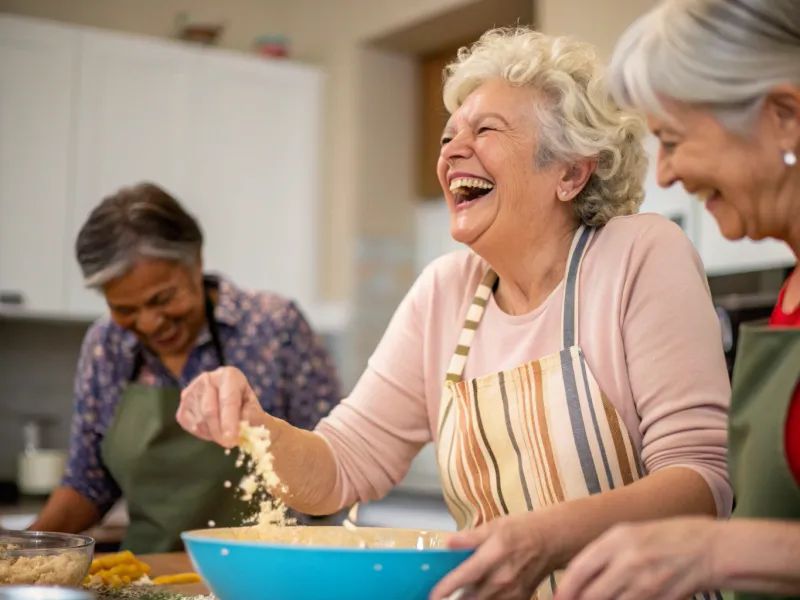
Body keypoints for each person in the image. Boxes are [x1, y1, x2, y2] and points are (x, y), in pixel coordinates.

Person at [178, 27, 732, 600]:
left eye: (485, 130)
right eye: (447, 137)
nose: (450, 151)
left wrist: (540, 537)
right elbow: (340, 466)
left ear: (569, 172)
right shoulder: (443, 292)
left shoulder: (639, 254)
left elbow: (698, 482)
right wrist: (254, 424)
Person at [555, 2, 800, 600]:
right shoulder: (790, 295)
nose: (664, 175)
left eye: (672, 140)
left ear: (784, 117)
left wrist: (715, 550)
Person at [29, 182, 342, 554]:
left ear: (196, 260)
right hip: (146, 579)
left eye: (163, 299)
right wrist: (20, 551)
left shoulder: (274, 329)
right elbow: (89, 483)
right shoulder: (107, 346)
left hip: (265, 575)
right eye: (126, 310)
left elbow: (335, 463)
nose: (148, 324)